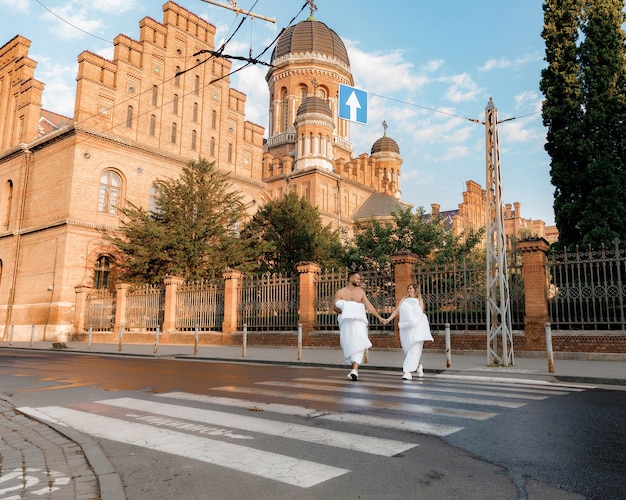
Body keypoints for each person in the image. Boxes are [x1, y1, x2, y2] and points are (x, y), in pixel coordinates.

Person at [333, 271, 386, 381]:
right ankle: (353, 367)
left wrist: (379, 317)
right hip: (346, 322)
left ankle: (355, 370)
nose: (359, 280)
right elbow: (335, 307)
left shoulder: (360, 292)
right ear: (351, 279)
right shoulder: (340, 292)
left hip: (358, 322)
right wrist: (344, 311)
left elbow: (369, 306)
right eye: (357, 278)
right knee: (348, 343)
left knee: (359, 342)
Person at [384, 283, 433, 380]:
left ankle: (407, 372)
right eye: (408, 288)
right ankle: (418, 366)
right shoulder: (404, 299)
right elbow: (396, 310)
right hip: (404, 327)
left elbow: (420, 314)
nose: (409, 290)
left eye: (411, 288)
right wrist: (388, 319)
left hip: (415, 328)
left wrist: (415, 323)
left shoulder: (419, 300)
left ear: (415, 289)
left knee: (413, 349)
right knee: (407, 349)